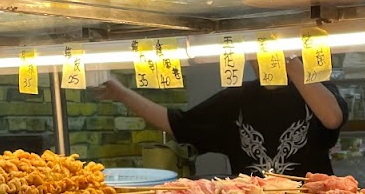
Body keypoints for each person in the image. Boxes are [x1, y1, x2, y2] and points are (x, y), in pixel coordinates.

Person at [102, 55, 348, 176]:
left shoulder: (313, 91)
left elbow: (332, 118)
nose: (261, 61)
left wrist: (292, 63)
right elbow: (177, 124)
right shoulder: (235, 99)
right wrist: (121, 93)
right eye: (255, 55)